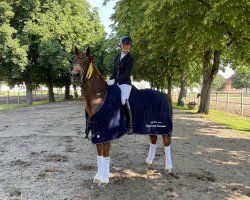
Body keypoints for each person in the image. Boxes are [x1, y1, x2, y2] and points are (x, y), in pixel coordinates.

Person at [106, 36, 134, 133]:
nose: (125, 46)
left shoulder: (130, 58)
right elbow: (114, 72)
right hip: (116, 82)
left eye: (127, 44)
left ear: (130, 46)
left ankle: (130, 126)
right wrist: (108, 81)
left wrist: (114, 81)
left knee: (123, 100)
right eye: (123, 44)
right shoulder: (117, 57)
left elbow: (127, 74)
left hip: (125, 84)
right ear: (121, 45)